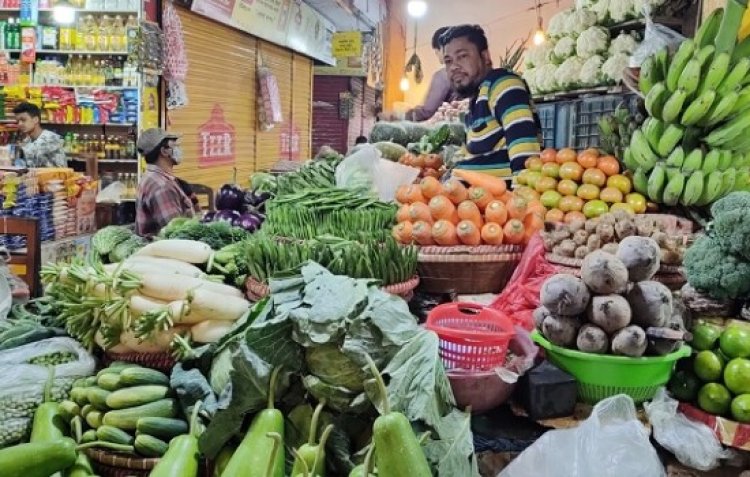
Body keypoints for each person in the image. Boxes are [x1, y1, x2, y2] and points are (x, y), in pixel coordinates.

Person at [440, 25, 541, 177]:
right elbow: (471, 156)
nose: (453, 66)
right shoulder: (477, 99)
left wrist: (521, 196)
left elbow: (525, 154)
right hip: (477, 198)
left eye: (462, 56)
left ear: (485, 57)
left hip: (503, 199)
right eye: (448, 61)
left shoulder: (504, 85)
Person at [135, 128, 195, 237]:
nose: (179, 149)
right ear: (164, 151)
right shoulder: (162, 187)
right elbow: (177, 234)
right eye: (175, 145)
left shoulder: (151, 177)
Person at [404, 26, 459, 122]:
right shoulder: (466, 71)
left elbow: (428, 111)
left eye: (436, 51)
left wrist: (401, 116)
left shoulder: (443, 75)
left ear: (442, 48)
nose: (436, 54)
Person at [12, 102, 66, 168]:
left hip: (57, 177)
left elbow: (32, 150)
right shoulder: (27, 140)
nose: (19, 124)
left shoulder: (51, 138)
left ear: (36, 120)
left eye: (23, 120)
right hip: (37, 177)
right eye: (17, 121)